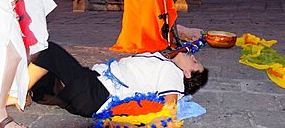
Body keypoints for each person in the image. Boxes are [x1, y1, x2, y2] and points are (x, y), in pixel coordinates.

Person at [23, 42, 208, 125]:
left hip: (97, 92)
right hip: (91, 88)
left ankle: (17, 93)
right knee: (42, 78)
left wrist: (157, 120)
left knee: (47, 50)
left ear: (187, 73)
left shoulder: (173, 72)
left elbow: (170, 106)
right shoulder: (164, 62)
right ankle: (27, 94)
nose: (192, 56)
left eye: (194, 62)